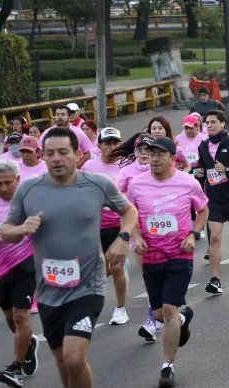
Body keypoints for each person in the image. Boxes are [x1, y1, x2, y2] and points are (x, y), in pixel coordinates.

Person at [1, 127, 139, 388]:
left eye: (63, 152)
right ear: (43, 155)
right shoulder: (28, 189)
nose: (56, 158)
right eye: (50, 153)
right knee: (63, 363)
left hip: (88, 287)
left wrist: (122, 239)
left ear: (77, 154)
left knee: (74, 358)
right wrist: (21, 229)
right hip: (49, 290)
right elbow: (6, 231)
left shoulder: (97, 184)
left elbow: (129, 211)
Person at [126, 137, 209, 387]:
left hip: (179, 254)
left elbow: (203, 209)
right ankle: (181, 321)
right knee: (161, 315)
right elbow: (129, 215)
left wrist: (194, 235)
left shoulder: (188, 182)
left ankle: (167, 367)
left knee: (170, 309)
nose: (153, 158)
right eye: (150, 153)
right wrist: (136, 236)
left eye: (160, 154)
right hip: (151, 256)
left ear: (173, 158)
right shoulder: (137, 184)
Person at [0, 161, 39, 387]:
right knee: (10, 318)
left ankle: (16, 368)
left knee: (21, 316)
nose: (3, 188)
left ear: (18, 180)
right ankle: (28, 345)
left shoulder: (30, 201)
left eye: (8, 182)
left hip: (26, 265)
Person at [195, 110, 229, 295]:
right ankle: (215, 280)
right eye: (206, 123)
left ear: (222, 124)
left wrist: (227, 168)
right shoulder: (203, 146)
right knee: (215, 237)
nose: (208, 126)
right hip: (214, 198)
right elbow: (202, 168)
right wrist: (200, 172)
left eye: (212, 122)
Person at [80, 128, 131, 326]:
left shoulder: (126, 165)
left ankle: (120, 309)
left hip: (118, 224)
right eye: (107, 143)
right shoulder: (89, 166)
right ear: (99, 146)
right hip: (95, 226)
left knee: (117, 267)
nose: (112, 147)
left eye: (115, 143)